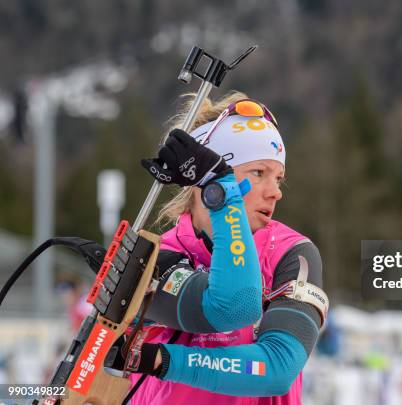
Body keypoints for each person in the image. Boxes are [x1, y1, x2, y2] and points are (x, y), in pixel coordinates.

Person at [109, 92, 327, 405]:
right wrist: (225, 196)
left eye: (278, 178)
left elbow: (278, 368)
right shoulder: (157, 254)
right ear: (204, 181)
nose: (275, 192)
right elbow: (228, 306)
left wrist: (163, 360)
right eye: (258, 173)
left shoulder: (292, 252)